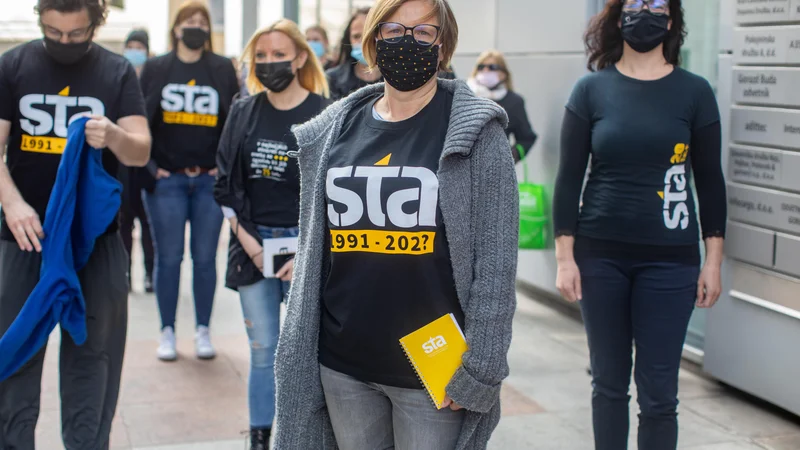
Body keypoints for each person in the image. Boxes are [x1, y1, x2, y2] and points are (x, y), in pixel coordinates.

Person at [273, 0, 519, 448]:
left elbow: (497, 264)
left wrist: (481, 367)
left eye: (423, 33)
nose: (407, 42)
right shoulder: (335, 129)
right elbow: (319, 244)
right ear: (372, 40)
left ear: (442, 45)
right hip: (344, 362)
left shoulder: (476, 131)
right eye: (393, 31)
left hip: (435, 370)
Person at [552, 1, 726, 449]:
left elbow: (710, 180)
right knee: (608, 385)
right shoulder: (591, 90)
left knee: (659, 395)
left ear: (671, 21)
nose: (643, 12)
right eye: (634, 4)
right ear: (618, 17)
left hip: (671, 262)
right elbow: (569, 178)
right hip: (600, 257)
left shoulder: (695, 92)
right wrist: (565, 259)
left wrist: (713, 263)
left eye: (655, 4)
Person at [0, 0, 151, 448]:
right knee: (16, 354)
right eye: (53, 32)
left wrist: (115, 136)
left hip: (95, 243)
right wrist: (12, 204)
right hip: (23, 238)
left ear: (95, 25)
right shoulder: (13, 65)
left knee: (94, 359)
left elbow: (139, 150)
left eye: (75, 34)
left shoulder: (117, 71)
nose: (63, 42)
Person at [215, 19, 330, 450]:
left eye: (278, 55)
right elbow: (225, 185)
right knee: (264, 350)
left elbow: (333, 188)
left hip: (308, 247)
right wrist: (249, 241)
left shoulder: (327, 112)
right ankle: (261, 438)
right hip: (253, 246)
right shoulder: (243, 111)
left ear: (300, 58)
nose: (269, 64)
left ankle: (305, 436)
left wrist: (306, 250)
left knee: (307, 355)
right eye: (260, 57)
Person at [139, 1, 240, 362]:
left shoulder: (221, 68)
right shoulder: (155, 68)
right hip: (168, 182)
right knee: (168, 258)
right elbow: (139, 120)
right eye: (189, 20)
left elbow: (234, 123)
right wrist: (150, 168)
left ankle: (202, 330)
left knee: (204, 259)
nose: (196, 26)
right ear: (177, 28)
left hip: (208, 184)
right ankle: (167, 331)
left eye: (202, 21)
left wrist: (222, 168)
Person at [119, 28, 156, 293]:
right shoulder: (120, 77)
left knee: (149, 226)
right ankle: (125, 274)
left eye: (139, 46)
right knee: (123, 224)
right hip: (123, 167)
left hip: (149, 167)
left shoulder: (152, 78)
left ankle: (150, 275)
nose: (135, 51)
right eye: (130, 46)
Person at [467, 50, 537, 163]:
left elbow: (527, 138)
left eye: (492, 67)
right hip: (463, 167)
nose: (485, 70)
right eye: (481, 67)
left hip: (495, 171)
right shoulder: (465, 96)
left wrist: (508, 159)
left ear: (503, 74)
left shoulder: (514, 101)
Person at [325, 8, 382, 100]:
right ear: (349, 40)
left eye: (369, 35)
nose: (363, 42)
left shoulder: (397, 78)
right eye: (356, 36)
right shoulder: (332, 79)